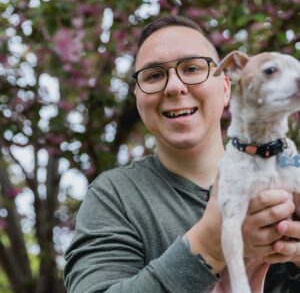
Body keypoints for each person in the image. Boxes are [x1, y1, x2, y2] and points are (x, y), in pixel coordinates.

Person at [64, 15, 300, 292]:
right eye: (154, 75)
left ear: (226, 87)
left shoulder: (291, 172)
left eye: (192, 69)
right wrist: (208, 246)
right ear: (139, 98)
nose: (174, 86)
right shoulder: (114, 196)